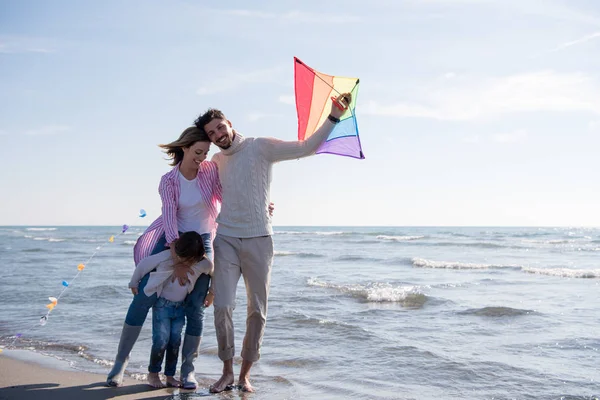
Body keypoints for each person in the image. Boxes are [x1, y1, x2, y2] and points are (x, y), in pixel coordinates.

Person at [194, 92, 352, 393]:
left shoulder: (260, 147)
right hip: (226, 238)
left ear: (229, 123)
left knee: (257, 310)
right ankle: (226, 371)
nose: (217, 135)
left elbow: (306, 148)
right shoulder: (215, 160)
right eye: (211, 133)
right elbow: (205, 194)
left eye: (219, 128)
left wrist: (333, 116)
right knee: (223, 306)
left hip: (259, 240)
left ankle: (244, 375)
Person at [106, 127, 221, 389]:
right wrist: (175, 257)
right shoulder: (168, 180)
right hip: (174, 238)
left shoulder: (209, 171)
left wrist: (260, 207)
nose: (202, 157)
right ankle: (119, 364)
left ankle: (187, 371)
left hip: (202, 241)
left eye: (206, 152)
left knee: (195, 307)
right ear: (184, 148)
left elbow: (225, 196)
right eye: (197, 152)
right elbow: (169, 215)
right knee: (144, 297)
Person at [128, 231, 212, 388]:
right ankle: (153, 374)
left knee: (174, 342)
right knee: (161, 340)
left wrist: (212, 293)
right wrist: (133, 282)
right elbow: (144, 264)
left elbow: (214, 271)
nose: (182, 261)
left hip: (180, 308)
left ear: (196, 257)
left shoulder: (202, 264)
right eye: (181, 257)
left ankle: (170, 376)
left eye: (188, 260)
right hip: (162, 306)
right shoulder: (167, 256)